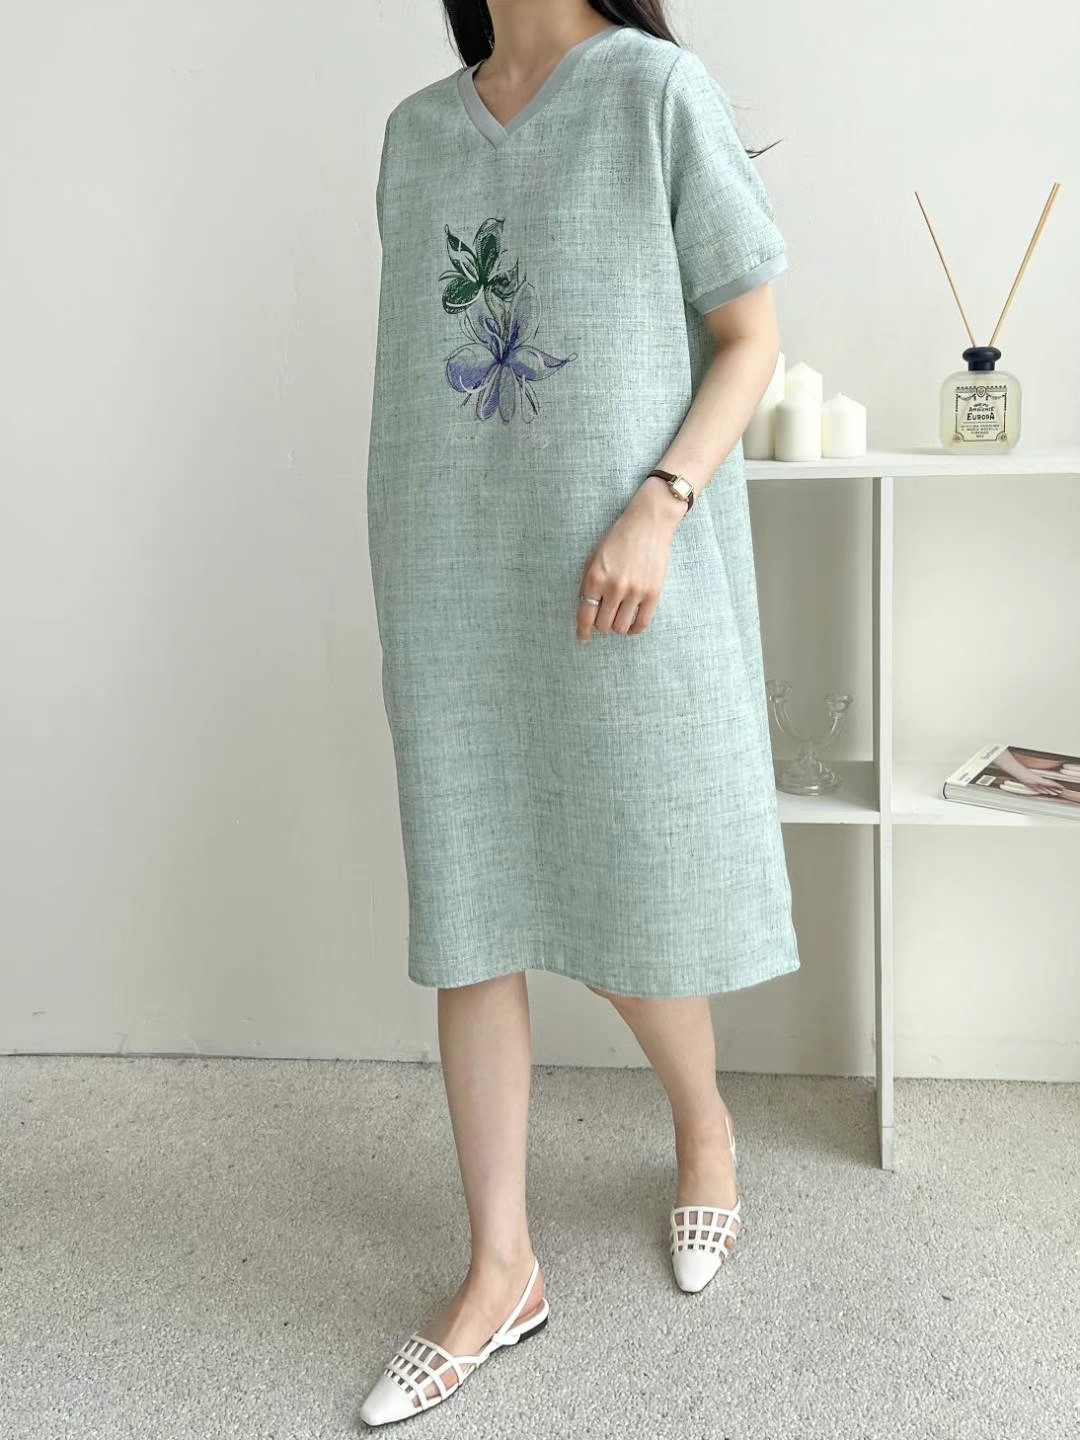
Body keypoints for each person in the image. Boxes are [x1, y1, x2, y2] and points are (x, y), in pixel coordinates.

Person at [360, 0, 800, 1424]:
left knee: (634, 879)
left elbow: (750, 338)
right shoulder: (416, 135)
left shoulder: (656, 95)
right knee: (472, 906)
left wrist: (660, 506)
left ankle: (704, 1125)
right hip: (450, 571)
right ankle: (502, 1269)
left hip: (622, 566)